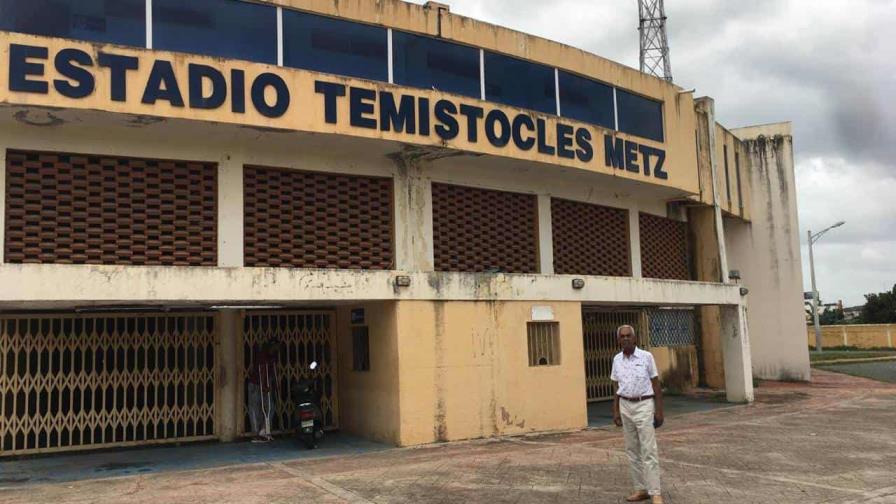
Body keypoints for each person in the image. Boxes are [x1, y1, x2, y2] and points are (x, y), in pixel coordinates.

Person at [611, 324, 665, 504]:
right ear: (618, 340)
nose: (625, 338)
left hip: (644, 405)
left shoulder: (646, 357)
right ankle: (641, 489)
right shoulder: (617, 360)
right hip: (626, 405)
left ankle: (655, 492)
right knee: (632, 450)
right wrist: (616, 410)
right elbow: (616, 386)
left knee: (649, 450)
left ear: (635, 338)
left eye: (628, 336)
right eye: (622, 336)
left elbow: (656, 384)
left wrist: (659, 410)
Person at [247, 339, 279, 443]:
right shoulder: (263, 356)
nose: (276, 349)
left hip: (265, 384)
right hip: (256, 385)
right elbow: (262, 371)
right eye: (275, 347)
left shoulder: (272, 357)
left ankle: (264, 430)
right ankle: (256, 434)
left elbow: (271, 372)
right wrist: (264, 385)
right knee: (255, 409)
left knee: (270, 407)